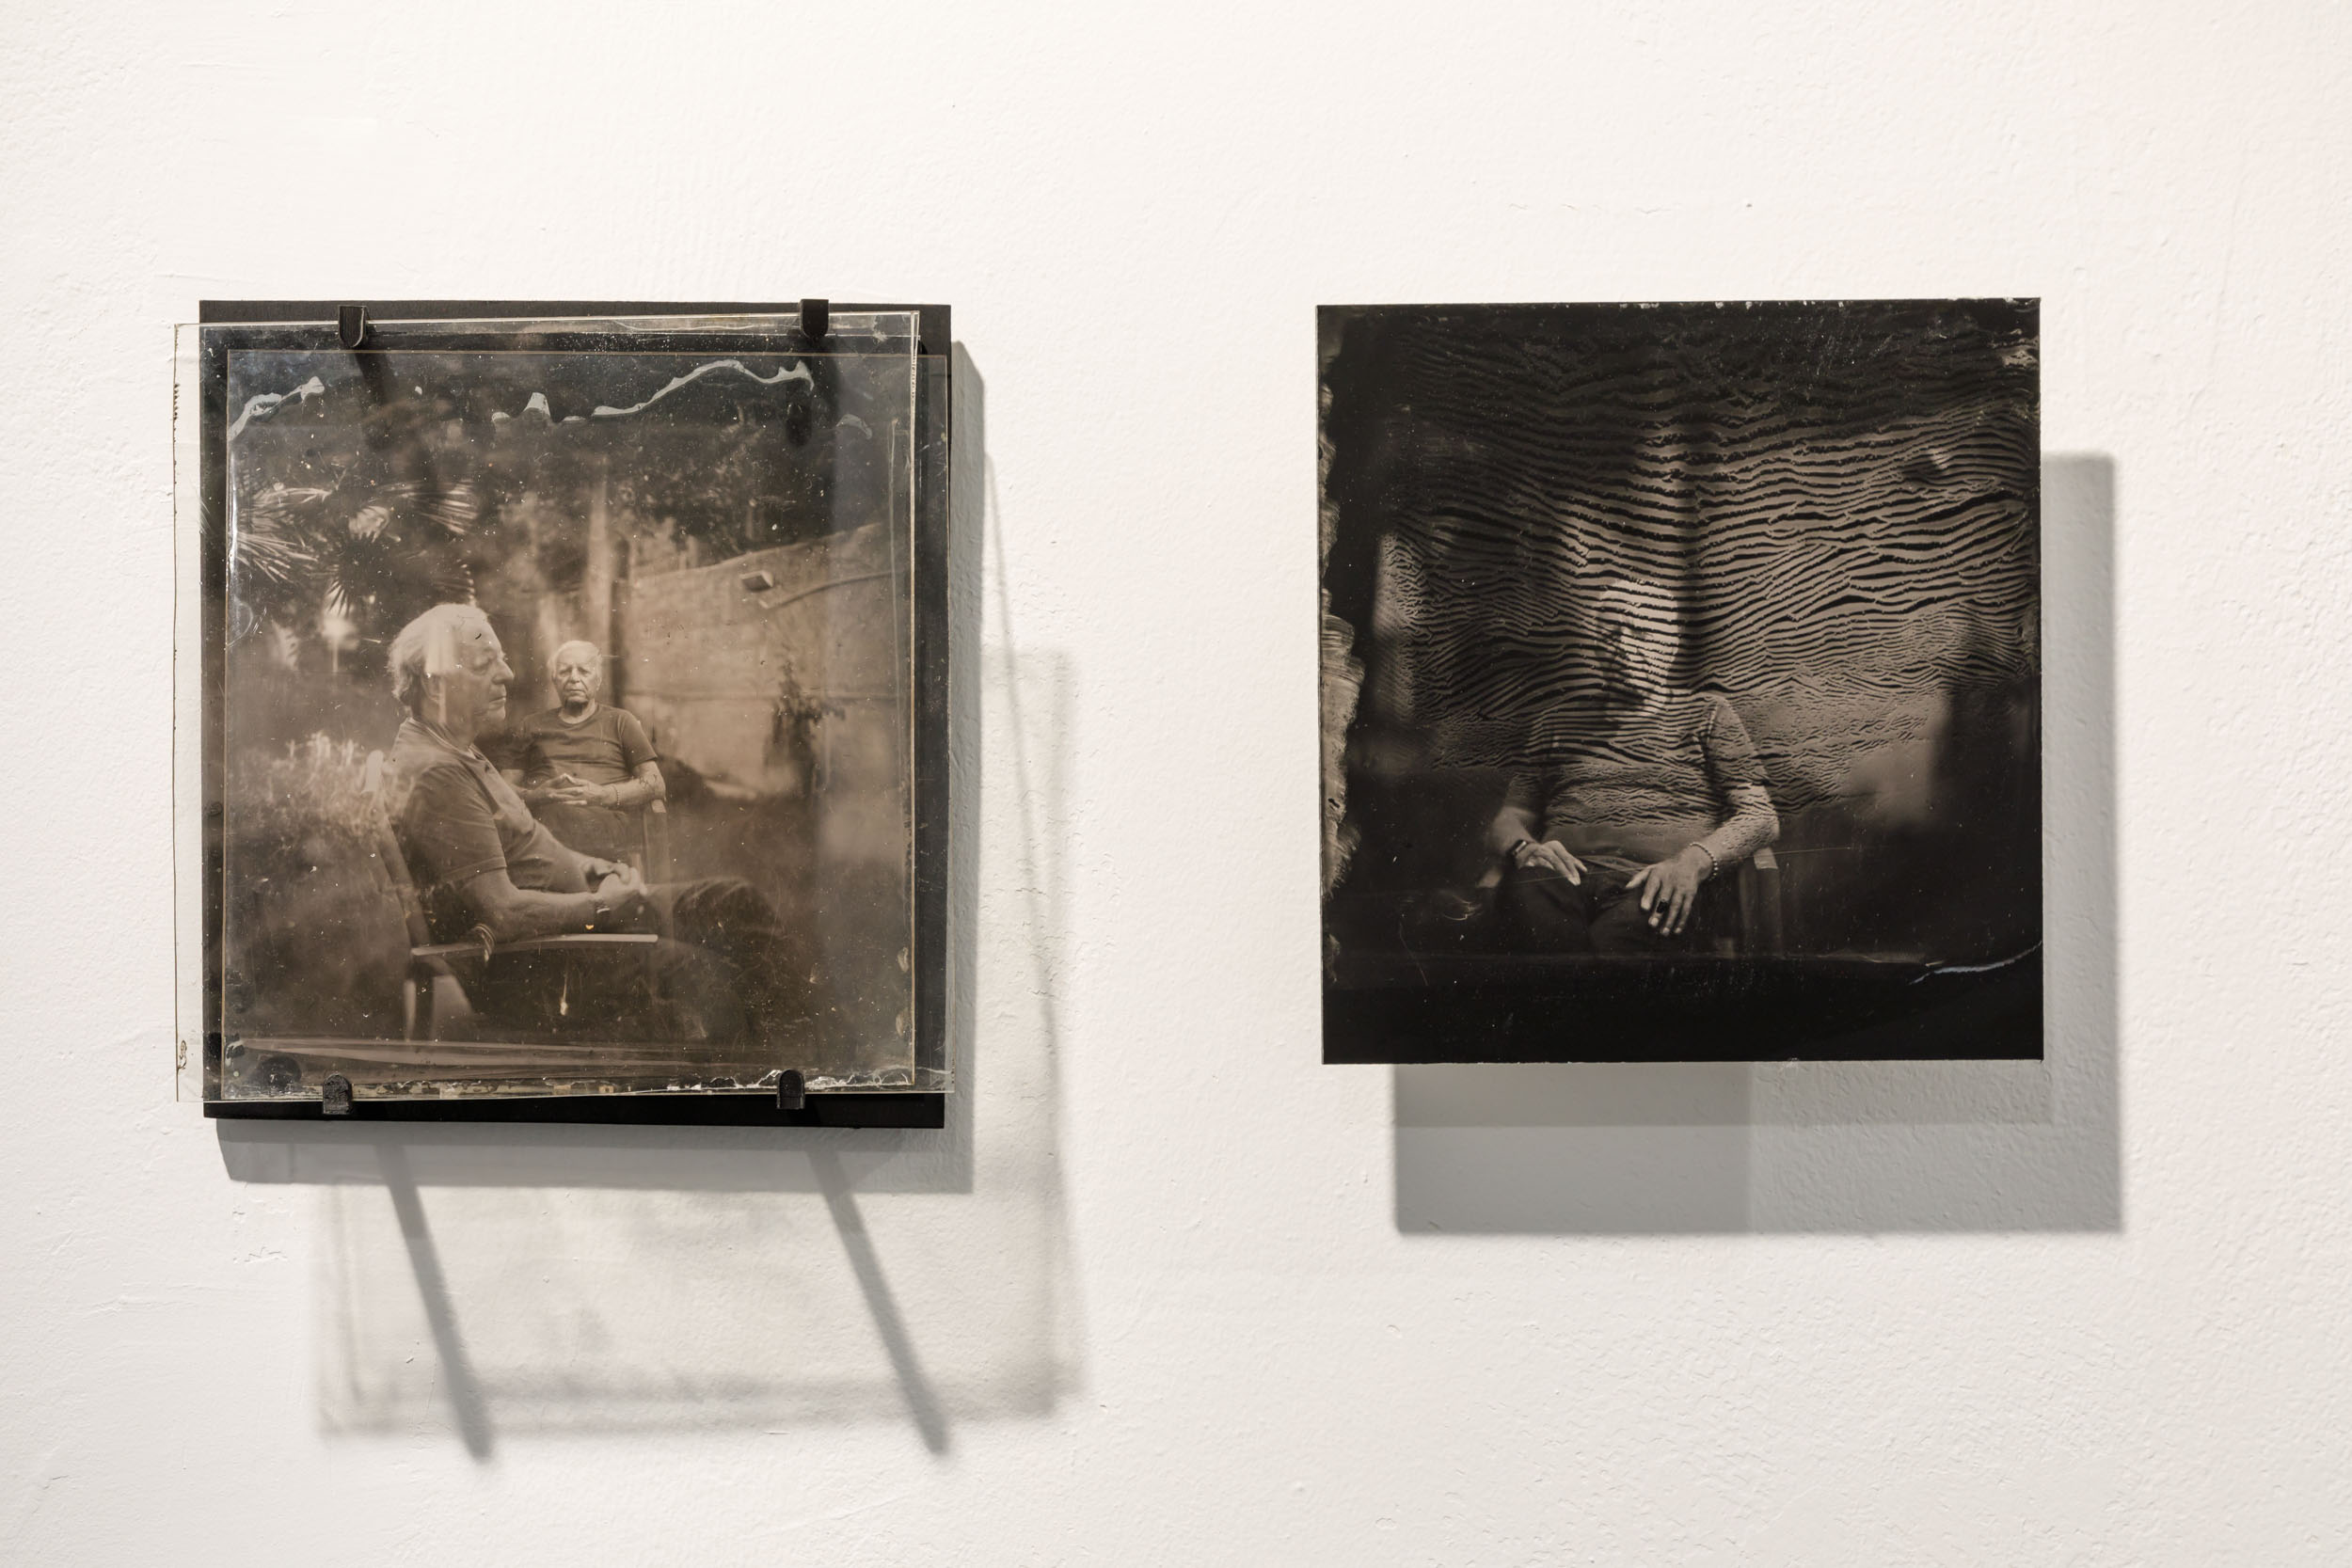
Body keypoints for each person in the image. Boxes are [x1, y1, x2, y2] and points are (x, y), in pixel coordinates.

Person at [381, 603, 799, 1047]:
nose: (508, 674)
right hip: (552, 962)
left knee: (736, 903)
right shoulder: (439, 773)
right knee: (709, 976)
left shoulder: (454, 746)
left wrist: (591, 865)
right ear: (435, 682)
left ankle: (794, 1049)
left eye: (501, 659)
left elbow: (524, 843)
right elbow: (501, 911)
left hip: (577, 921)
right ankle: (791, 1058)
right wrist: (604, 906)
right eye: (486, 664)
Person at [1486, 578, 1779, 954]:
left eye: (1640, 633)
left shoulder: (1708, 713)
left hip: (1662, 884)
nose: (1624, 646)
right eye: (1611, 635)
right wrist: (1524, 849)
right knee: (1535, 923)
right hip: (1560, 879)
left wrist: (1691, 863)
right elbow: (1510, 817)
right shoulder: (1557, 722)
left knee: (1621, 945)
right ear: (1596, 649)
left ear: (1671, 645)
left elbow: (1760, 816)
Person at [502, 639, 666, 864]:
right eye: (565, 671)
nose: (574, 678)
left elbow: (656, 782)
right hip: (544, 820)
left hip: (603, 823)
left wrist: (602, 794)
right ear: (554, 680)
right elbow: (502, 788)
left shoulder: (620, 721)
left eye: (584, 671)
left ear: (598, 680)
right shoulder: (531, 725)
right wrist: (537, 796)